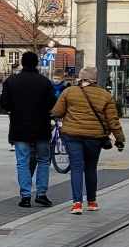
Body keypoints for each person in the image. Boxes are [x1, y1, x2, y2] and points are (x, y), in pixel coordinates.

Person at [52, 67, 125, 214]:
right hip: (94, 138)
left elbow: (57, 112)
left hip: (72, 136)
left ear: (81, 78)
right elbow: (113, 120)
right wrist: (119, 138)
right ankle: (92, 202)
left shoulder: (69, 92)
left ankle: (77, 204)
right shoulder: (105, 95)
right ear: (95, 79)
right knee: (91, 168)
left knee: (76, 168)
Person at [1, 51, 57, 208]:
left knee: (22, 162)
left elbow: (4, 104)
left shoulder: (12, 81)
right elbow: (52, 103)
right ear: (36, 63)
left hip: (20, 128)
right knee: (43, 160)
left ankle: (25, 196)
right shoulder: (45, 82)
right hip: (42, 128)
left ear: (22, 63)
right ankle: (41, 194)